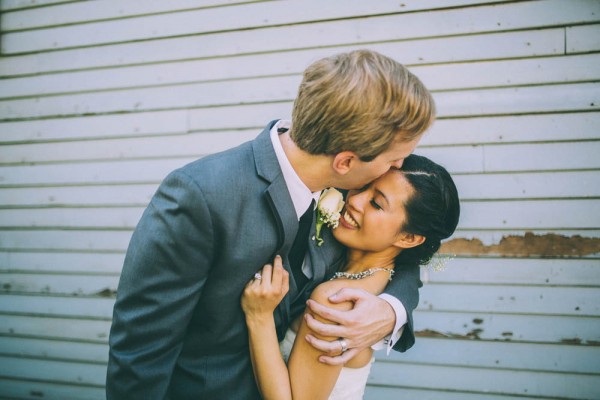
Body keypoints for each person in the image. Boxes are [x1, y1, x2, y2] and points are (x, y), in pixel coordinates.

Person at [106, 49, 435, 399]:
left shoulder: (352, 193)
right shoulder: (201, 196)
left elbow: (405, 249)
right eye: (395, 159)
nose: (398, 168)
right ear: (346, 161)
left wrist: (391, 310)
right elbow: (140, 353)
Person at [242, 154, 460, 400]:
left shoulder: (339, 300)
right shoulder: (370, 278)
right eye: (365, 186)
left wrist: (258, 317)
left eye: (376, 204)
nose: (355, 200)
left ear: (408, 238)